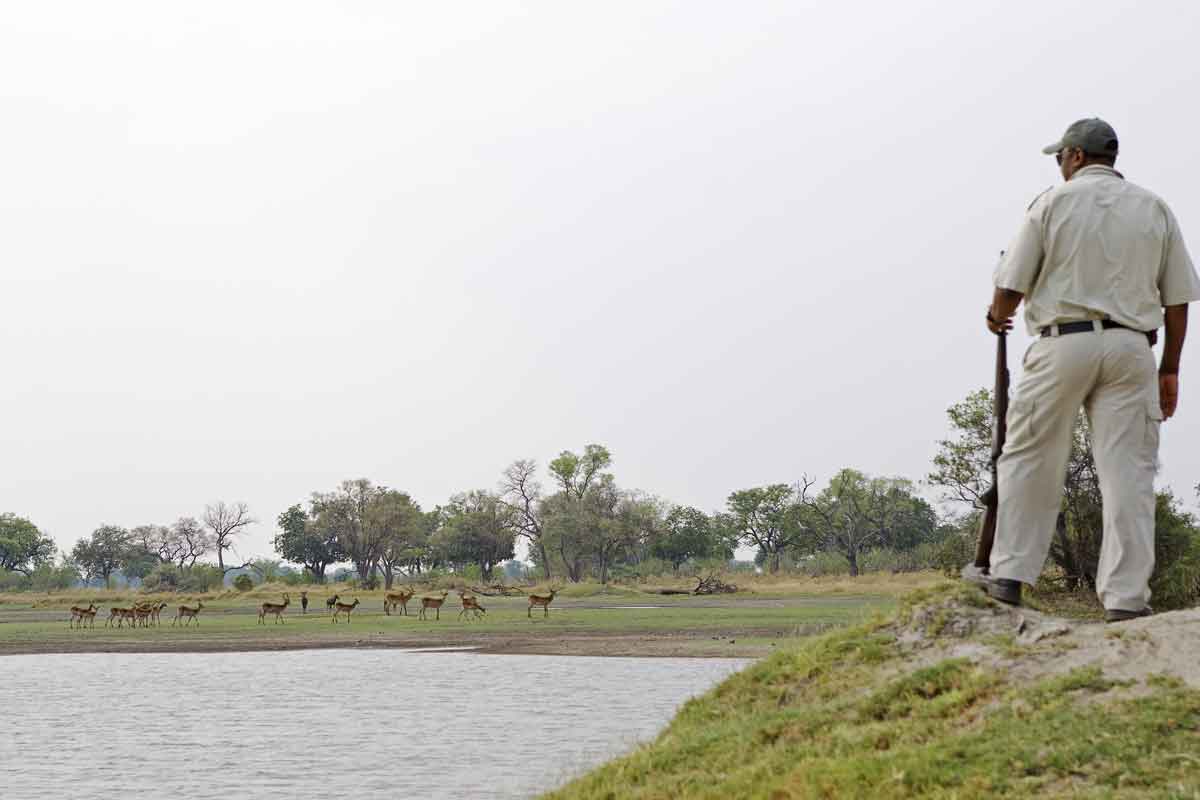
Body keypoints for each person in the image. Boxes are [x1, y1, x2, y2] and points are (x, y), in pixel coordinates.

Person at [982, 118, 1200, 621]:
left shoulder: (1051, 204)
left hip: (1063, 341)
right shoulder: (1154, 207)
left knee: (1031, 456)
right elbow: (1180, 300)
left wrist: (997, 318)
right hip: (1131, 347)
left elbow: (1011, 283)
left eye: (1060, 157)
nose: (1059, 165)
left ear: (1076, 156)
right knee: (1129, 474)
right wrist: (1170, 369)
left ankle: (1011, 574)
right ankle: (1126, 600)